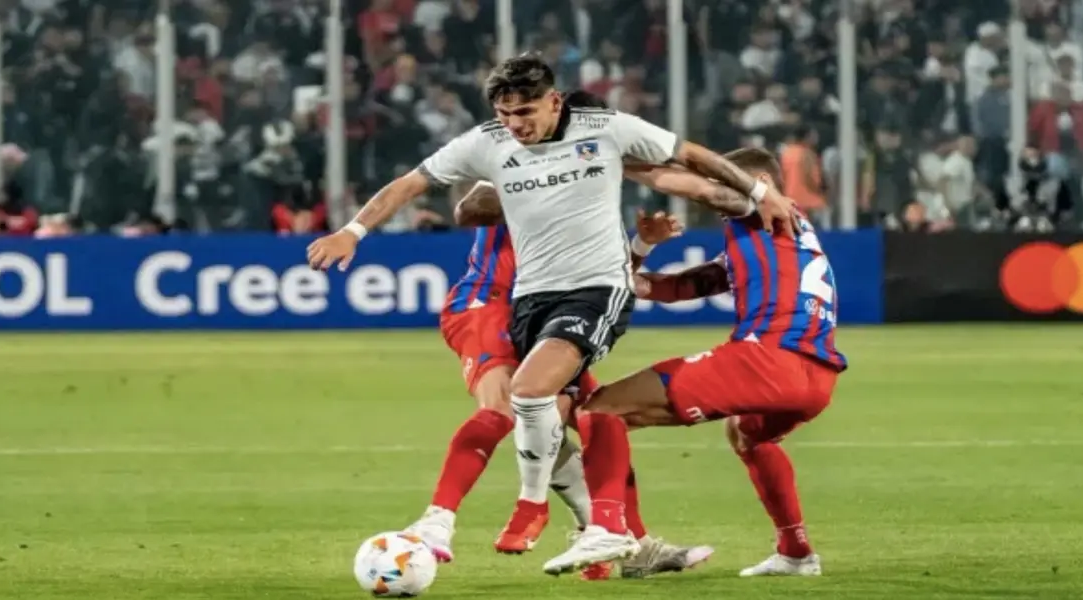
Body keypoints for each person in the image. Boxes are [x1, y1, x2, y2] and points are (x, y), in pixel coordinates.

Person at [306, 54, 793, 566]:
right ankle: (443, 520)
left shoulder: (604, 153)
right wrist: (355, 229)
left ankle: (615, 538)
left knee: (579, 417)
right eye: (507, 114)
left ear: (558, 107)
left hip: (570, 301)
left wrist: (752, 197)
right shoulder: (500, 152)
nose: (517, 125)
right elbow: (463, 207)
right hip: (489, 300)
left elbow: (683, 174)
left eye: (527, 113)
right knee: (510, 407)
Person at [541, 147, 845, 577]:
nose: (717, 192)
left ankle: (608, 528)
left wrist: (611, 159)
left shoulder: (760, 205)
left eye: (726, 180)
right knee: (746, 434)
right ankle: (796, 552)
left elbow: (686, 184)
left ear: (760, 182)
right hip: (817, 377)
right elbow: (681, 287)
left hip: (769, 357)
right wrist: (639, 257)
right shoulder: (779, 235)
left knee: (603, 409)